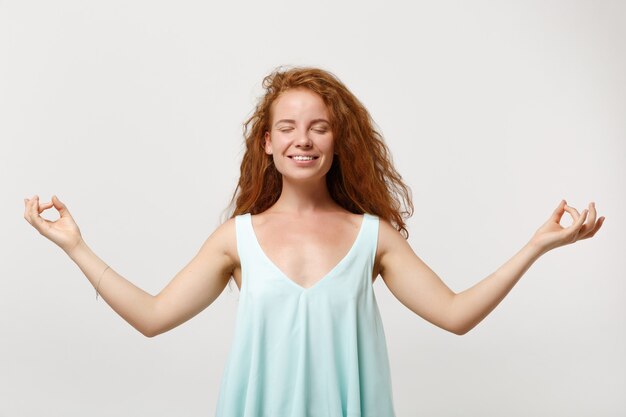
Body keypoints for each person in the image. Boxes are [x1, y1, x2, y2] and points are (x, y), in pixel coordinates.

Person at [23, 65, 605, 416]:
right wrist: (75, 245)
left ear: (336, 141)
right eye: (288, 127)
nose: (304, 139)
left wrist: (536, 246)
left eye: (319, 126)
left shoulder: (373, 238)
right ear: (268, 145)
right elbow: (152, 317)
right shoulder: (237, 239)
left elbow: (454, 315)